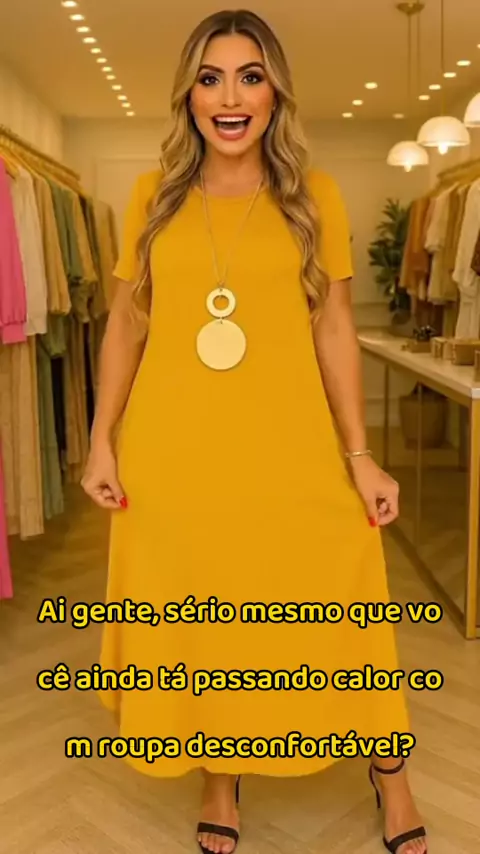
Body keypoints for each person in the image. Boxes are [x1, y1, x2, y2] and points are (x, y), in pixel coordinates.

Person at [81, 9, 427, 854]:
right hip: (173, 453)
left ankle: (391, 772)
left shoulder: (315, 196)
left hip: (292, 448)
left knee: (345, 600)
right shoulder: (151, 196)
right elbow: (127, 323)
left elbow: (334, 329)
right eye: (210, 79)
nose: (229, 98)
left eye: (249, 76)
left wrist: (360, 454)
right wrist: (100, 439)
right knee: (204, 620)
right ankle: (220, 774)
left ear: (275, 93)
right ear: (189, 96)